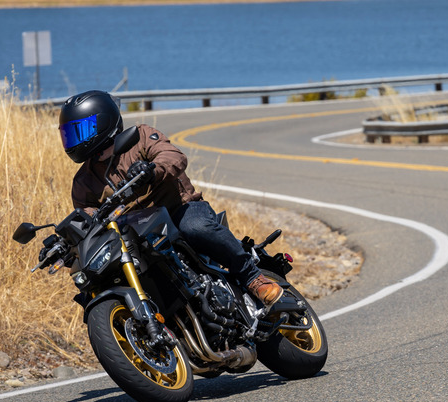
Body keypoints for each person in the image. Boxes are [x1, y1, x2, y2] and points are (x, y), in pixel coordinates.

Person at [58, 90, 282, 308]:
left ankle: (252, 277)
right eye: (69, 134)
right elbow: (86, 216)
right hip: (135, 233)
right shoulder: (83, 181)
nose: (75, 139)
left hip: (179, 210)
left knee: (196, 227)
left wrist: (152, 170)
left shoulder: (139, 137)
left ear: (103, 122)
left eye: (81, 130)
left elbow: (173, 156)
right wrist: (67, 244)